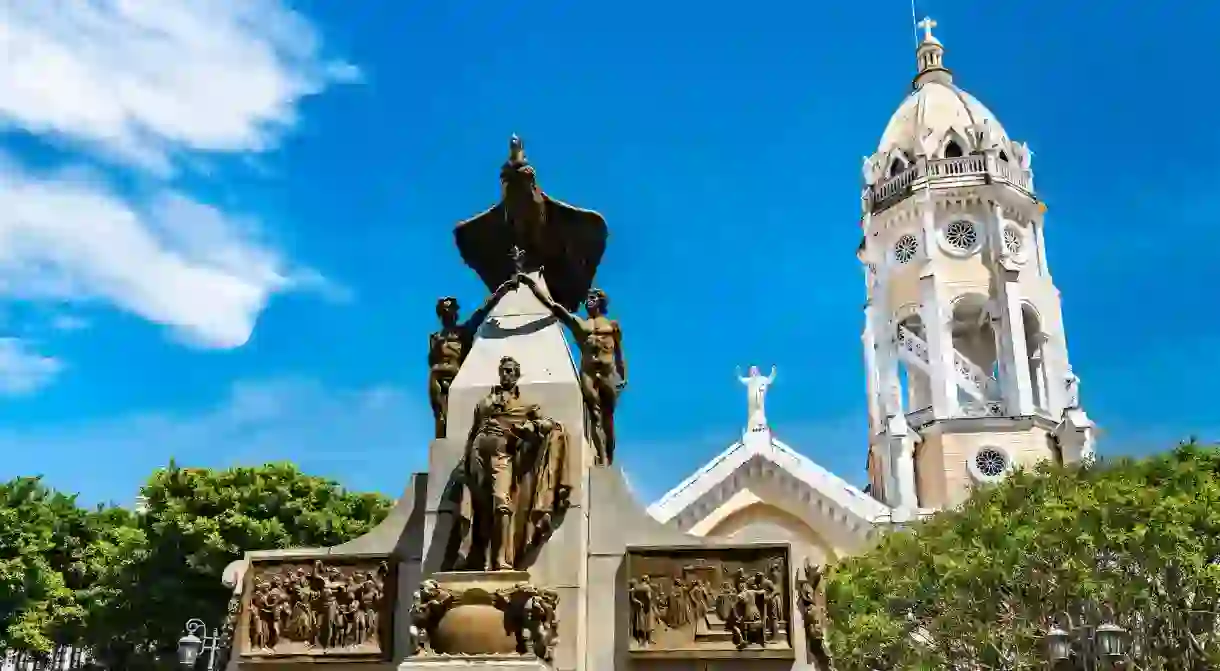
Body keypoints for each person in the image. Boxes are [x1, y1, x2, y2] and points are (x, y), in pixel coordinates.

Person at [519, 274, 627, 465]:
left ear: (601, 302)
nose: (588, 302)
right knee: (594, 415)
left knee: (608, 418)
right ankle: (601, 456)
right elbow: (555, 307)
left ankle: (609, 455)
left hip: (608, 372)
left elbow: (619, 353)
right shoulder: (580, 324)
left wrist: (623, 376)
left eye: (593, 298)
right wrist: (531, 284)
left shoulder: (612, 326)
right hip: (588, 372)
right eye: (588, 299)